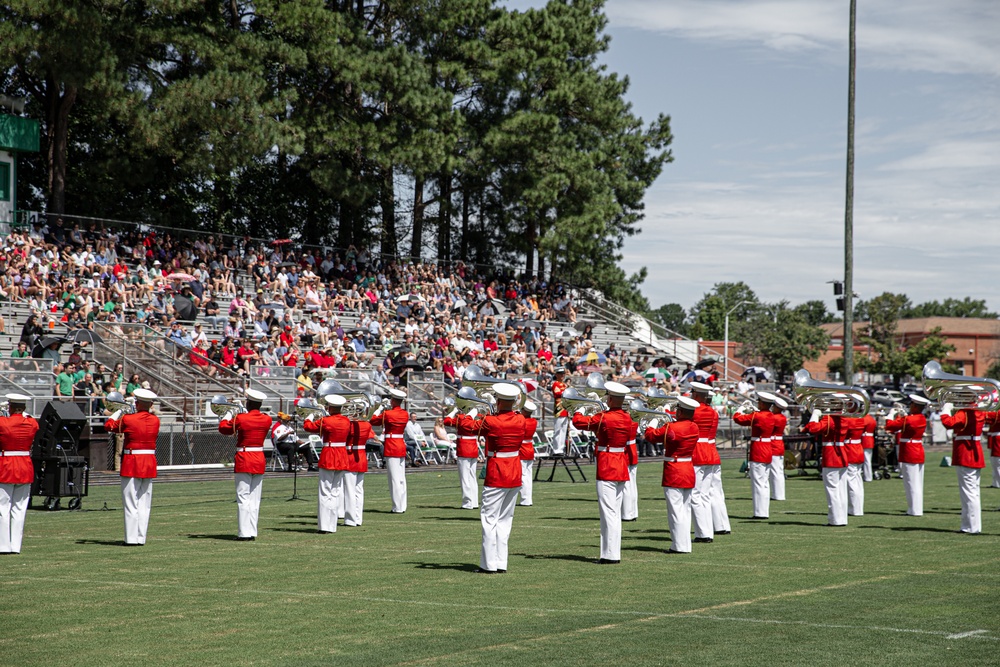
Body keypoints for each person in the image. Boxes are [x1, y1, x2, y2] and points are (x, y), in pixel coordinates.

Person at [572, 382, 634, 564]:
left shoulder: (605, 417)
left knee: (608, 513)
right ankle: (612, 552)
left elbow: (578, 422)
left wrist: (582, 408)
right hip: (621, 464)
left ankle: (610, 555)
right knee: (614, 512)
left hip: (607, 465)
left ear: (611, 398)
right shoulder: (627, 418)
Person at [470, 383, 525, 573]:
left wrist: (473, 410)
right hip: (515, 472)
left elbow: (469, 427)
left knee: (489, 519)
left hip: (497, 471)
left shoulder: (491, 421)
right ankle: (501, 563)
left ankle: (488, 564)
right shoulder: (521, 420)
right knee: (504, 521)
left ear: (499, 401)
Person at [644, 396, 700, 554]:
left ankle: (679, 546)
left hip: (674, 470)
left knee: (675, 511)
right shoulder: (694, 427)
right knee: (685, 510)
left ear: (681, 412)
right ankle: (685, 544)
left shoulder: (672, 427)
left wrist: (654, 420)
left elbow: (650, 436)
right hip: (688, 469)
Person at [106, 388, 160, 545]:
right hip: (149, 461)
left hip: (132, 461)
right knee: (144, 503)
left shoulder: (129, 419)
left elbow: (109, 425)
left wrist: (119, 410)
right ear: (150, 405)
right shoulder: (155, 420)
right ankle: (140, 537)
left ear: (137, 403)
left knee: (130, 502)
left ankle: (130, 538)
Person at [218, 389, 272, 541]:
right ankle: (252, 531)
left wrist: (229, 413)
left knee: (243, 497)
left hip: (245, 457)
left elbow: (223, 428)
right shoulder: (266, 419)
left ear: (248, 403)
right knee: (255, 498)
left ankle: (244, 533)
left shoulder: (241, 418)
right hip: (259, 457)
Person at [689, 382, 730, 542]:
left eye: (693, 392)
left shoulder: (695, 411)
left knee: (696, 494)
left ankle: (703, 532)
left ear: (697, 394)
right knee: (707, 494)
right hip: (711, 451)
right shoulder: (713, 411)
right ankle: (712, 528)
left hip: (698, 451)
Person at [304, 394, 351, 534]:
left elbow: (308, 427)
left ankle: (324, 526)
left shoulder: (326, 420)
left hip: (329, 454)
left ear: (330, 407)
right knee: (335, 492)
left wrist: (310, 416)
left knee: (325, 492)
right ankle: (332, 525)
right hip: (342, 454)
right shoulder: (347, 421)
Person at [0, 394, 39, 554]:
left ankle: (3, 545)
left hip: (6, 467)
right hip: (24, 466)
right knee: (19, 508)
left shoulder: (3, 423)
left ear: (10, 406)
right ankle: (16, 546)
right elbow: (30, 423)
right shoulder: (31, 422)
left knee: (3, 507)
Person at [940, 402, 987, 534]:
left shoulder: (965, 412)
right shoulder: (979, 411)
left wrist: (945, 410)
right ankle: (969, 525)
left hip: (966, 453)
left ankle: (972, 527)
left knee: (969, 493)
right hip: (974, 452)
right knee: (972, 492)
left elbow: (948, 423)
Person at [802, 406, 849, 526]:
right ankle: (842, 518)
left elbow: (813, 428)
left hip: (831, 454)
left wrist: (816, 415)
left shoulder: (829, 419)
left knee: (832, 489)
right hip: (842, 453)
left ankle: (835, 520)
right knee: (841, 490)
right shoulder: (844, 418)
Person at [884, 395, 931, 516]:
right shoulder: (921, 418)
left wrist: (890, 414)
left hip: (909, 451)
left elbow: (890, 427)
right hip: (918, 450)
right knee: (917, 482)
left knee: (911, 482)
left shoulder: (909, 419)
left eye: (911, 405)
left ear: (915, 406)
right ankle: (916, 508)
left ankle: (914, 510)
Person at [733, 391, 777, 519]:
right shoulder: (771, 415)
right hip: (768, 448)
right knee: (764, 482)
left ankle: (759, 513)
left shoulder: (757, 416)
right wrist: (755, 410)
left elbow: (737, 418)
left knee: (757, 482)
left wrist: (741, 408)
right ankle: (764, 511)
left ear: (762, 403)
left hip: (758, 449)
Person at [370, 388, 409, 513]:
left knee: (394, 478)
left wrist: (381, 408)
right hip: (401, 445)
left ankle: (397, 507)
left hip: (392, 445)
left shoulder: (388, 414)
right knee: (401, 477)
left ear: (392, 400)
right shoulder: (405, 413)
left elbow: (373, 419)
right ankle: (402, 505)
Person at [443, 404, 482, 510]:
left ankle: (467, 502)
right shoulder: (478, 417)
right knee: (472, 477)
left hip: (464, 448)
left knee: (465, 477)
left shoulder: (461, 419)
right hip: (473, 448)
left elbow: (446, 421)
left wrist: (454, 410)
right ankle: (474, 502)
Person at [344, 412, 374, 526]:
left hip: (350, 456)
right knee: (359, 490)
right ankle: (358, 518)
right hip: (361, 456)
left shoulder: (349, 425)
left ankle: (350, 519)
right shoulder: (366, 424)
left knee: (350, 490)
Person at [844, 406, 866, 517]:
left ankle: (854, 509)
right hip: (858, 448)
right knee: (857, 481)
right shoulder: (860, 418)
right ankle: (857, 508)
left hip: (850, 449)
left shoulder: (848, 420)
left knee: (851, 482)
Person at [518, 400, 538, 507]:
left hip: (522, 448)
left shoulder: (522, 420)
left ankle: (525, 499)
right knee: (528, 476)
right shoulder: (533, 421)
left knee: (523, 475)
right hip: (529, 448)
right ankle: (528, 498)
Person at [769, 397, 788, 502]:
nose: (772, 407)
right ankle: (777, 493)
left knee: (775, 471)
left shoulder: (775, 417)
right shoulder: (781, 417)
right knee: (777, 471)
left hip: (773, 444)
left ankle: (778, 494)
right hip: (778, 443)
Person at [550, 367, 569, 455]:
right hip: (558, 409)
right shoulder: (555, 384)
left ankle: (561, 449)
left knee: (563, 430)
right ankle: (556, 449)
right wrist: (566, 391)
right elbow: (557, 394)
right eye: (560, 374)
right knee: (558, 430)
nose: (562, 375)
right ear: (556, 375)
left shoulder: (565, 385)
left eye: (563, 374)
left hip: (565, 409)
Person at [860, 410, 878, 482]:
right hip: (869, 439)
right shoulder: (871, 418)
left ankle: (867, 476)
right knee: (867, 459)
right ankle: (867, 475)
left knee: (866, 460)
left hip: (865, 439)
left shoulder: (864, 418)